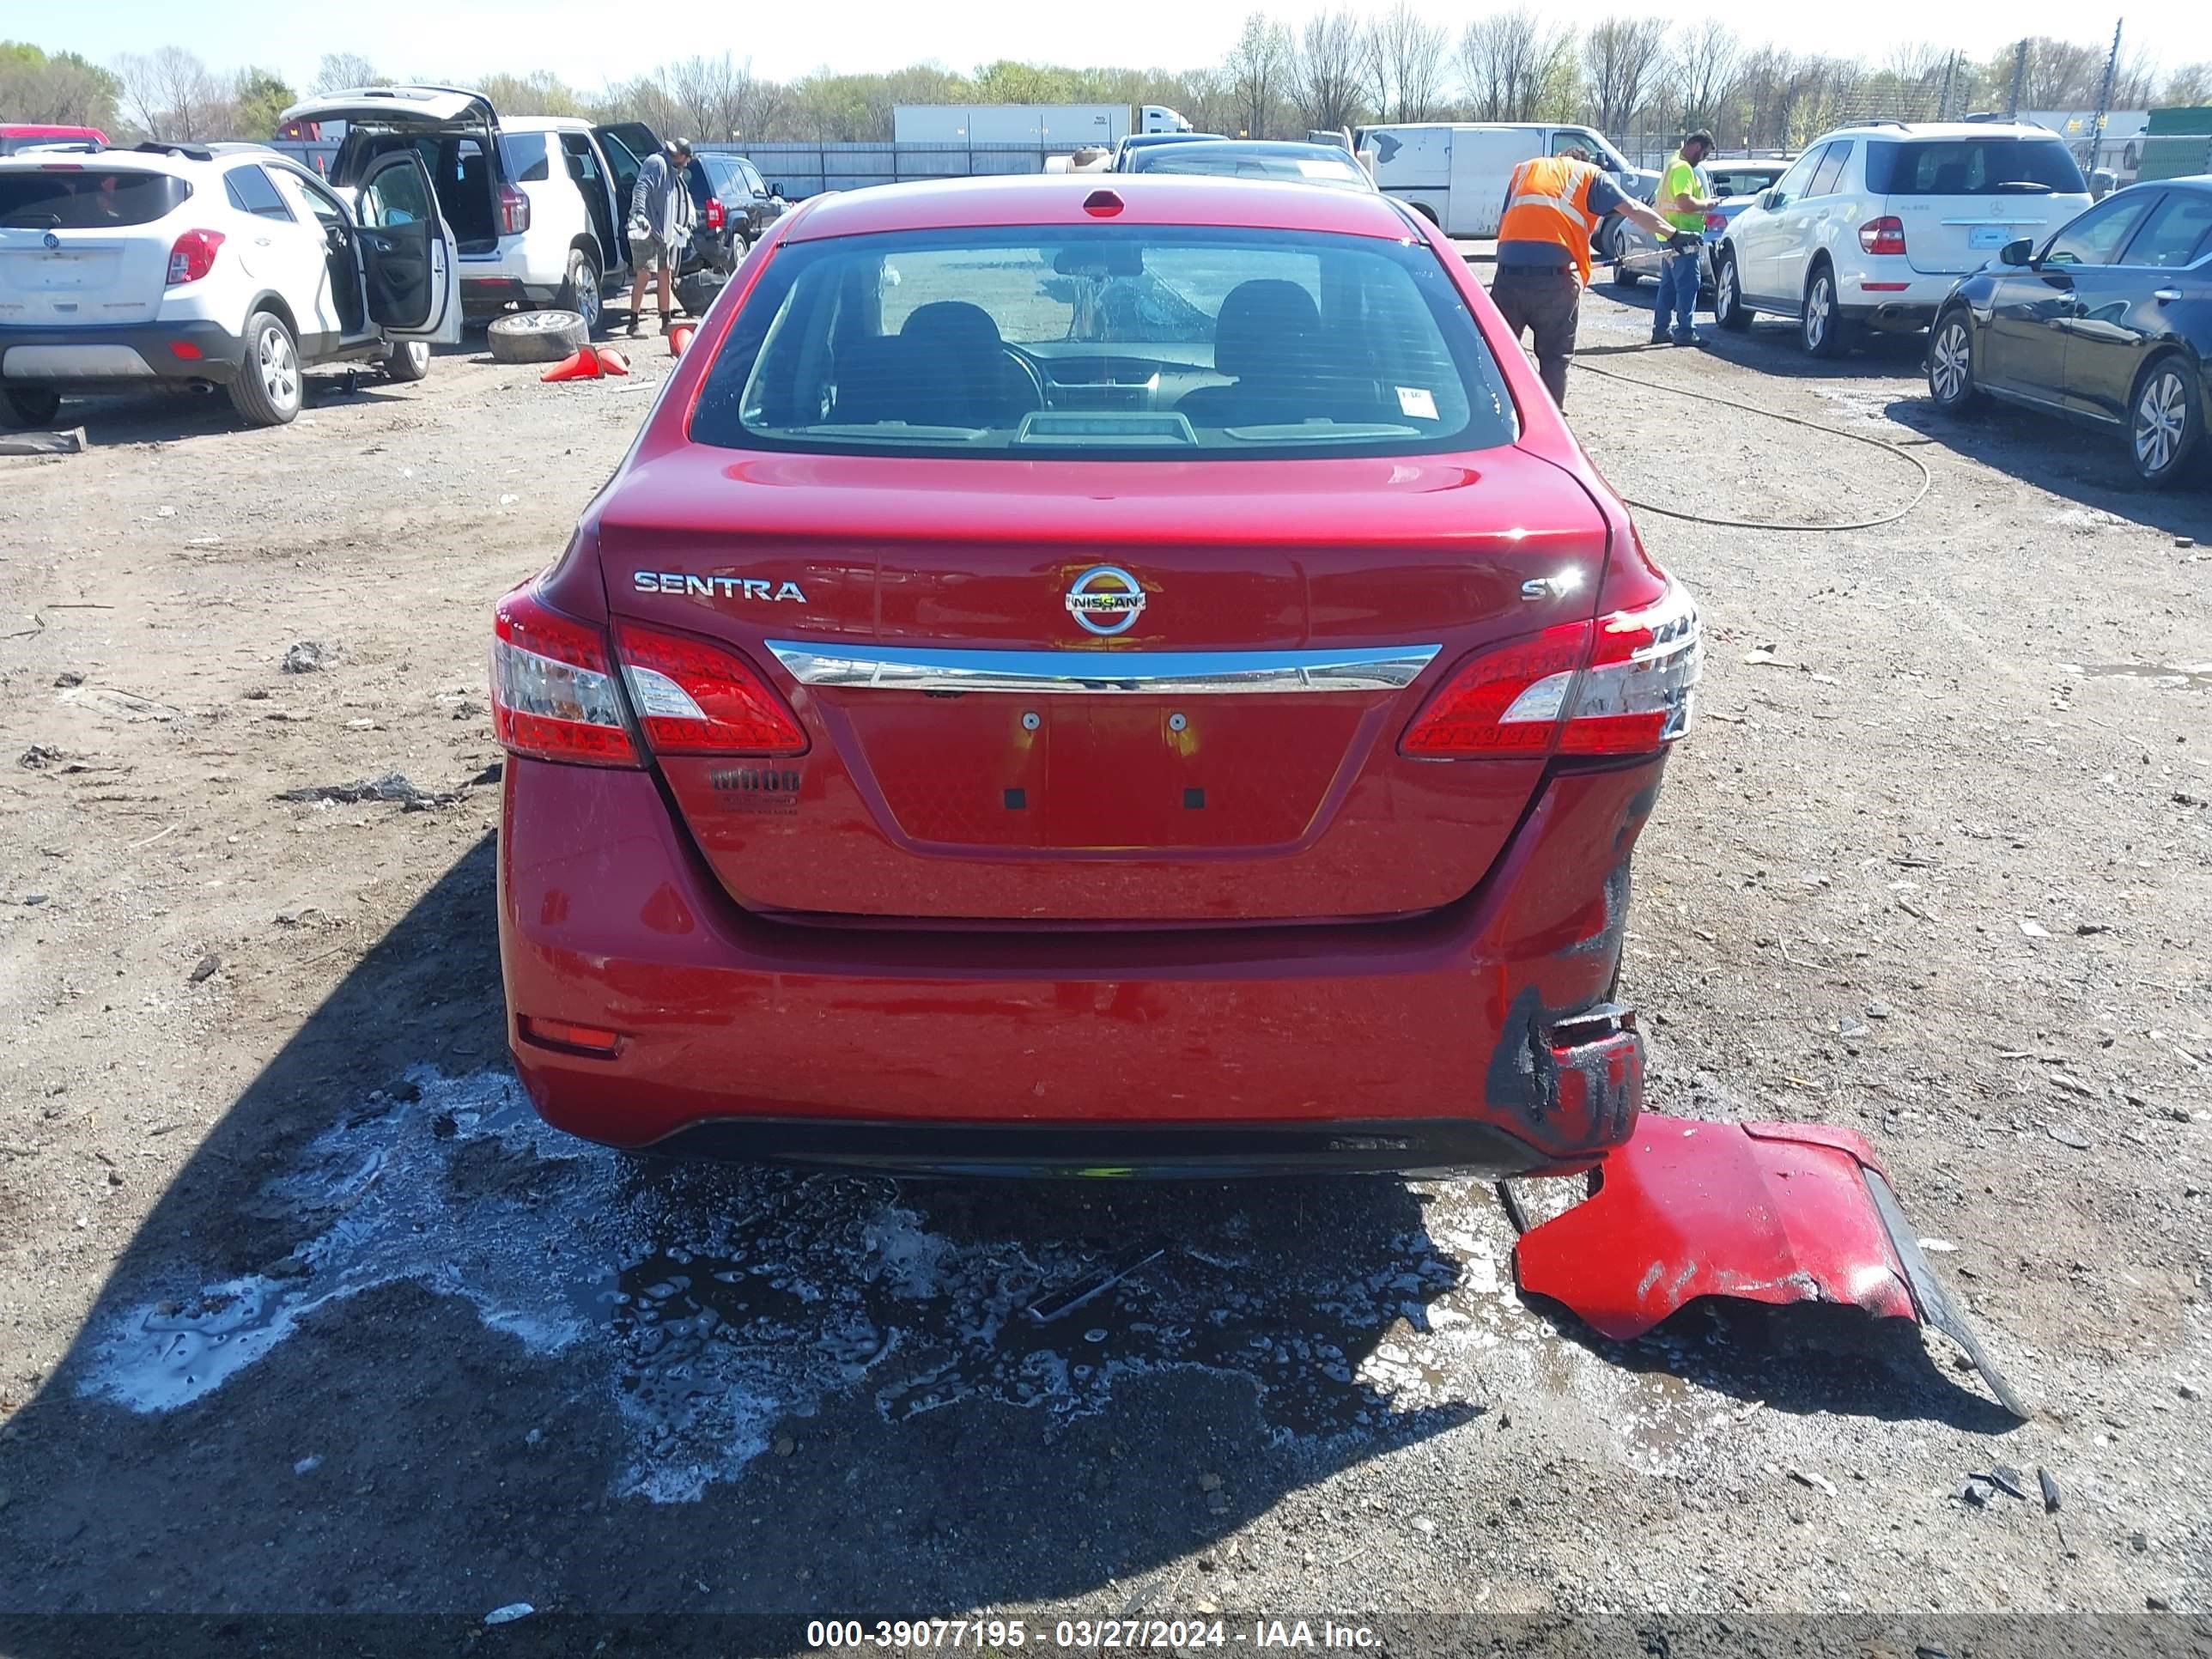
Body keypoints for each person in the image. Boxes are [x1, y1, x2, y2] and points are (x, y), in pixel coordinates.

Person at [1490, 145, 1692, 409]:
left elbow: (1502, 224)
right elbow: (1632, 208)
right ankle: (1550, 431)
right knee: (1553, 359)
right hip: (1555, 282)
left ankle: (1494, 420)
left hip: (1507, 277)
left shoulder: (1524, 170)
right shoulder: (1589, 175)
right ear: (1582, 160)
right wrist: (1673, 235)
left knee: (1495, 354)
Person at [1652, 129, 1720, 347]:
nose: (1703, 160)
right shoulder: (1683, 169)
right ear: (1697, 147)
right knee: (1689, 284)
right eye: (1704, 154)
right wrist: (1708, 205)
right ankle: (1685, 331)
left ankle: (1661, 329)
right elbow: (1684, 202)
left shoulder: (1672, 162)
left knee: (1669, 285)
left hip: (1668, 233)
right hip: (1683, 237)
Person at [626, 137, 697, 337]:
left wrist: (680, 226)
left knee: (665, 274)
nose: (687, 164)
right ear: (681, 156)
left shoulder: (672, 171)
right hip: (645, 230)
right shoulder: (656, 164)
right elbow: (641, 188)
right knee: (645, 274)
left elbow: (675, 200)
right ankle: (633, 323)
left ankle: (667, 323)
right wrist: (639, 214)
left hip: (662, 233)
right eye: (687, 159)